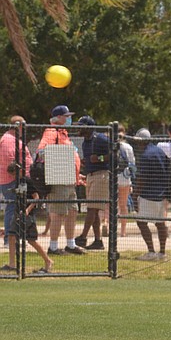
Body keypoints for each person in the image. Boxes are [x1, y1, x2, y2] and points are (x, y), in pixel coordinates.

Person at [38, 105, 85, 256]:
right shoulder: (52, 132)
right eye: (66, 116)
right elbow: (41, 152)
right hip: (59, 179)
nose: (68, 119)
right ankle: (53, 247)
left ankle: (70, 244)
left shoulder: (63, 133)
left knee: (72, 211)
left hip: (70, 180)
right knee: (58, 213)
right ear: (57, 118)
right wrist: (60, 165)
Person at [74, 116, 110, 251]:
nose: (78, 128)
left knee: (91, 209)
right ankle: (98, 241)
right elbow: (91, 158)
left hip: (101, 175)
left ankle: (83, 237)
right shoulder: (85, 142)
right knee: (93, 209)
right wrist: (85, 162)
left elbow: (114, 154)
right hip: (90, 176)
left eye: (81, 126)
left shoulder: (100, 138)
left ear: (88, 127)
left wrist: (100, 158)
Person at [1, 115, 33, 271]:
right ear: (17, 125)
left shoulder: (14, 139)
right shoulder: (8, 140)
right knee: (12, 208)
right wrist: (21, 175)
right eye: (23, 125)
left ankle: (14, 236)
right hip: (11, 180)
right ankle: (9, 237)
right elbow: (9, 162)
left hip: (18, 180)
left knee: (16, 208)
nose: (24, 128)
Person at [134, 133, 169, 261]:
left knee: (141, 222)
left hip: (148, 194)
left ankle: (151, 252)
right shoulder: (159, 151)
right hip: (161, 193)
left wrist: (135, 195)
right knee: (160, 223)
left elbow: (141, 178)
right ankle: (162, 253)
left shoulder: (145, 155)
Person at [115, 124, 136, 237]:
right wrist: (131, 181)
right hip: (124, 178)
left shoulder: (111, 145)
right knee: (123, 205)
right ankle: (123, 231)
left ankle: (108, 226)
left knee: (110, 205)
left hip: (112, 177)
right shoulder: (128, 147)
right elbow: (132, 164)